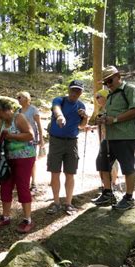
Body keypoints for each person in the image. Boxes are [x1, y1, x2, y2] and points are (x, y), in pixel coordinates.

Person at [92, 66, 135, 210]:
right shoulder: (110, 94)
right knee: (102, 163)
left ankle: (129, 198)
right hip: (109, 137)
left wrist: (114, 120)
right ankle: (108, 193)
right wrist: (102, 118)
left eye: (110, 80)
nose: (108, 84)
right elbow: (109, 113)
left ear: (118, 76)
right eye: (105, 82)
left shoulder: (130, 90)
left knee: (127, 167)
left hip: (126, 136)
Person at [0, 99, 36, 233]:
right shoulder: (3, 122)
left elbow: (30, 135)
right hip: (7, 158)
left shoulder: (19, 118)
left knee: (22, 186)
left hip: (25, 157)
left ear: (7, 110)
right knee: (5, 186)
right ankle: (5, 217)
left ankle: (28, 219)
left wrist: (12, 136)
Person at [46, 80, 88, 215]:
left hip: (72, 142)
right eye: (73, 90)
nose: (75, 93)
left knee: (70, 173)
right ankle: (56, 202)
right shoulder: (59, 100)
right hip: (56, 141)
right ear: (69, 90)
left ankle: (68, 203)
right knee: (55, 172)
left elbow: (81, 126)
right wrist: (59, 117)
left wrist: (85, 117)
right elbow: (56, 109)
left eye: (78, 90)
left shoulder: (81, 106)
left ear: (81, 92)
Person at [90, 89, 119, 189]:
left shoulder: (110, 108)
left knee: (111, 162)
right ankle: (106, 184)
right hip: (104, 138)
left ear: (105, 97)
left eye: (99, 97)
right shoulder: (101, 109)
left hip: (113, 138)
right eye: (96, 97)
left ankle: (112, 183)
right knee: (103, 162)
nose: (97, 99)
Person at [16, 91, 44, 193]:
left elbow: (39, 125)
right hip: (20, 138)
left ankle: (33, 183)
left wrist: (41, 138)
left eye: (20, 97)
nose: (18, 99)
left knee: (31, 160)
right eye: (17, 97)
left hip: (31, 138)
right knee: (22, 159)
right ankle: (24, 182)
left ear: (27, 98)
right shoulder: (18, 111)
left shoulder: (33, 110)